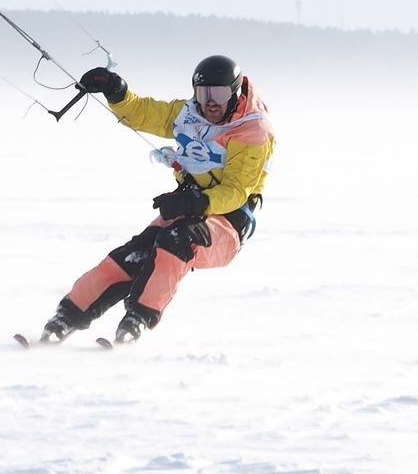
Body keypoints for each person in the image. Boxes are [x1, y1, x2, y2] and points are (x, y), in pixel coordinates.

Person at [34, 54, 275, 345]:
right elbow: (143, 113)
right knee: (133, 254)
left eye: (220, 94)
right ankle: (66, 318)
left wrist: (194, 204)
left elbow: (237, 191)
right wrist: (115, 89)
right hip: (189, 206)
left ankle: (137, 320)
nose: (211, 102)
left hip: (227, 224)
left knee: (178, 239)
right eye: (203, 93)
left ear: (235, 94)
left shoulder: (253, 131)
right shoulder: (189, 113)